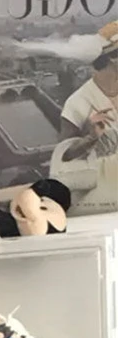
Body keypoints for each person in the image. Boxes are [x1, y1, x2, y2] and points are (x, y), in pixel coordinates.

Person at [50, 21, 118, 215]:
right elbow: (63, 159)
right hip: (101, 202)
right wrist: (91, 138)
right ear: (113, 57)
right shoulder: (78, 103)